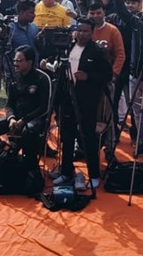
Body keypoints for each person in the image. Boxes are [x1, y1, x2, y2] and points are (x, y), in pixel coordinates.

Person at [52, 17, 111, 190]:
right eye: (80, 30)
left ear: (92, 32)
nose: (82, 34)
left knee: (88, 136)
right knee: (67, 136)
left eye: (86, 31)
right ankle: (66, 172)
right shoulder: (68, 46)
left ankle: (94, 174)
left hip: (87, 100)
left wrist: (88, 76)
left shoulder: (97, 51)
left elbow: (107, 75)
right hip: (67, 97)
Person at [0, 46, 50, 175]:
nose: (15, 64)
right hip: (16, 117)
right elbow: (9, 104)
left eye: (19, 61)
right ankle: (3, 155)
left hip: (34, 119)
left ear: (29, 62)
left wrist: (24, 120)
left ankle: (29, 167)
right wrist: (11, 118)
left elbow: (44, 107)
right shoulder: (14, 78)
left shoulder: (42, 78)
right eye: (14, 60)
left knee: (27, 132)